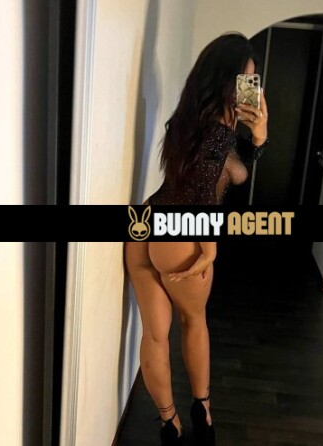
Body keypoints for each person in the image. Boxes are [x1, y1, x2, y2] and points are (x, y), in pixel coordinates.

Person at [124, 32, 268, 446]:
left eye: (251, 80)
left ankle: (168, 423)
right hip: (182, 234)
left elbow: (222, 169)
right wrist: (209, 247)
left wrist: (258, 136)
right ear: (225, 79)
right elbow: (204, 188)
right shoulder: (220, 129)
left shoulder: (189, 116)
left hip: (144, 222)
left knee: (154, 333)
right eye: (243, 79)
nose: (248, 89)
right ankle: (201, 410)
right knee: (193, 321)